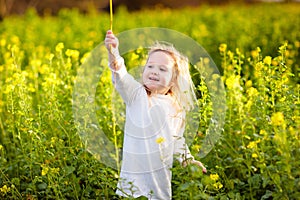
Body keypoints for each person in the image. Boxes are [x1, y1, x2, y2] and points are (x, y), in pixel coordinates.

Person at [105, 30, 207, 199]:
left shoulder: (176, 108)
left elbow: (176, 140)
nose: (154, 71)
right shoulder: (137, 96)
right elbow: (119, 74)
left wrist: (188, 160)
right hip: (131, 187)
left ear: (174, 79)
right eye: (150, 66)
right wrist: (113, 51)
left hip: (159, 188)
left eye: (162, 69)